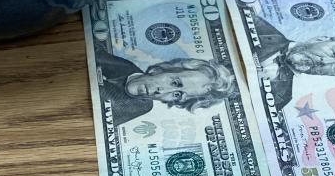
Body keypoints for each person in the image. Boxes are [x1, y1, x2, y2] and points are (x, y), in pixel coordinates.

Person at [250, 15, 335, 108]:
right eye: (334, 54)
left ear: (333, 75)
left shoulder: (282, 97)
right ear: (320, 39)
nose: (325, 62)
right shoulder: (256, 25)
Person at [94, 46, 236, 124]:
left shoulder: (140, 105)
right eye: (175, 82)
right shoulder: (123, 65)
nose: (161, 91)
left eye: (177, 95)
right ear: (159, 70)